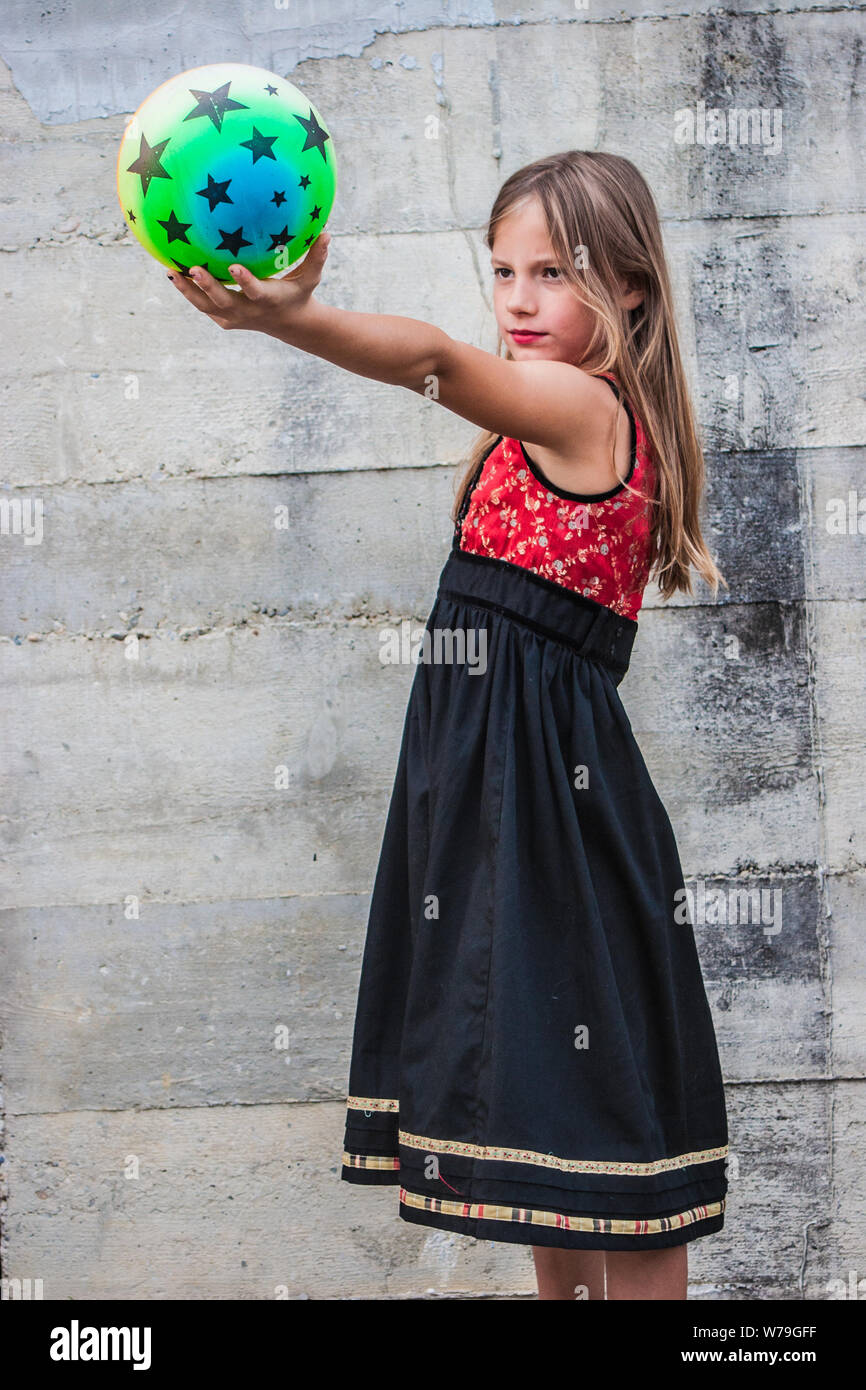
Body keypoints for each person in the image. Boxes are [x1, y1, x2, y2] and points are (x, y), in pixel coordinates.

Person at [168, 149, 730, 1301]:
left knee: (608, 1121)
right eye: (502, 271)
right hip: (490, 808)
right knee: (543, 1114)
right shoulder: (532, 427)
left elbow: (429, 360)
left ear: (626, 289)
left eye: (553, 274)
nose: (518, 301)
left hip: (556, 818)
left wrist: (292, 321)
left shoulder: (582, 408)